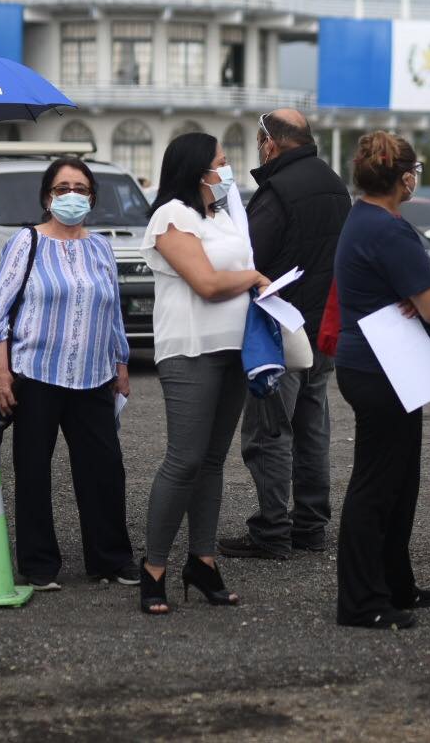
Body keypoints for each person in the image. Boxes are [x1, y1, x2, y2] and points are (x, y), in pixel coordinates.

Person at [0, 157, 138, 590]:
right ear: (47, 196)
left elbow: (112, 313)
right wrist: (2, 375)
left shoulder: (102, 246)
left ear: (91, 197)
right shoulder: (26, 242)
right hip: (36, 373)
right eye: (62, 188)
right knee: (33, 470)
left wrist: (121, 365)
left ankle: (110, 559)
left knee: (105, 470)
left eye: (80, 188)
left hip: (93, 376)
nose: (72, 195)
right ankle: (38, 564)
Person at [137, 132, 269, 615]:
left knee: (212, 461)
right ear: (197, 170)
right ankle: (152, 569)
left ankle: (203, 561)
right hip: (190, 349)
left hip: (234, 349)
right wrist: (255, 279)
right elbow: (208, 283)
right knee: (185, 460)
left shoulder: (224, 216)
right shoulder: (172, 216)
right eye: (221, 161)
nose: (228, 169)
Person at [218, 109, 351, 561]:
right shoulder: (335, 184)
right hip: (322, 327)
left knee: (269, 430)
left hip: (282, 325)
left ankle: (271, 529)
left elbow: (251, 255)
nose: (259, 149)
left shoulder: (277, 191)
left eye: (260, 142)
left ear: (271, 143)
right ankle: (312, 525)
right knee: (312, 428)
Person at [332, 131, 430, 631]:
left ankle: (395, 583)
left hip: (376, 364)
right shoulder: (390, 230)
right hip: (384, 367)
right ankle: (361, 600)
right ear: (404, 178)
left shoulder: (363, 217)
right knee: (378, 485)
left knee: (400, 481)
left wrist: (423, 276)